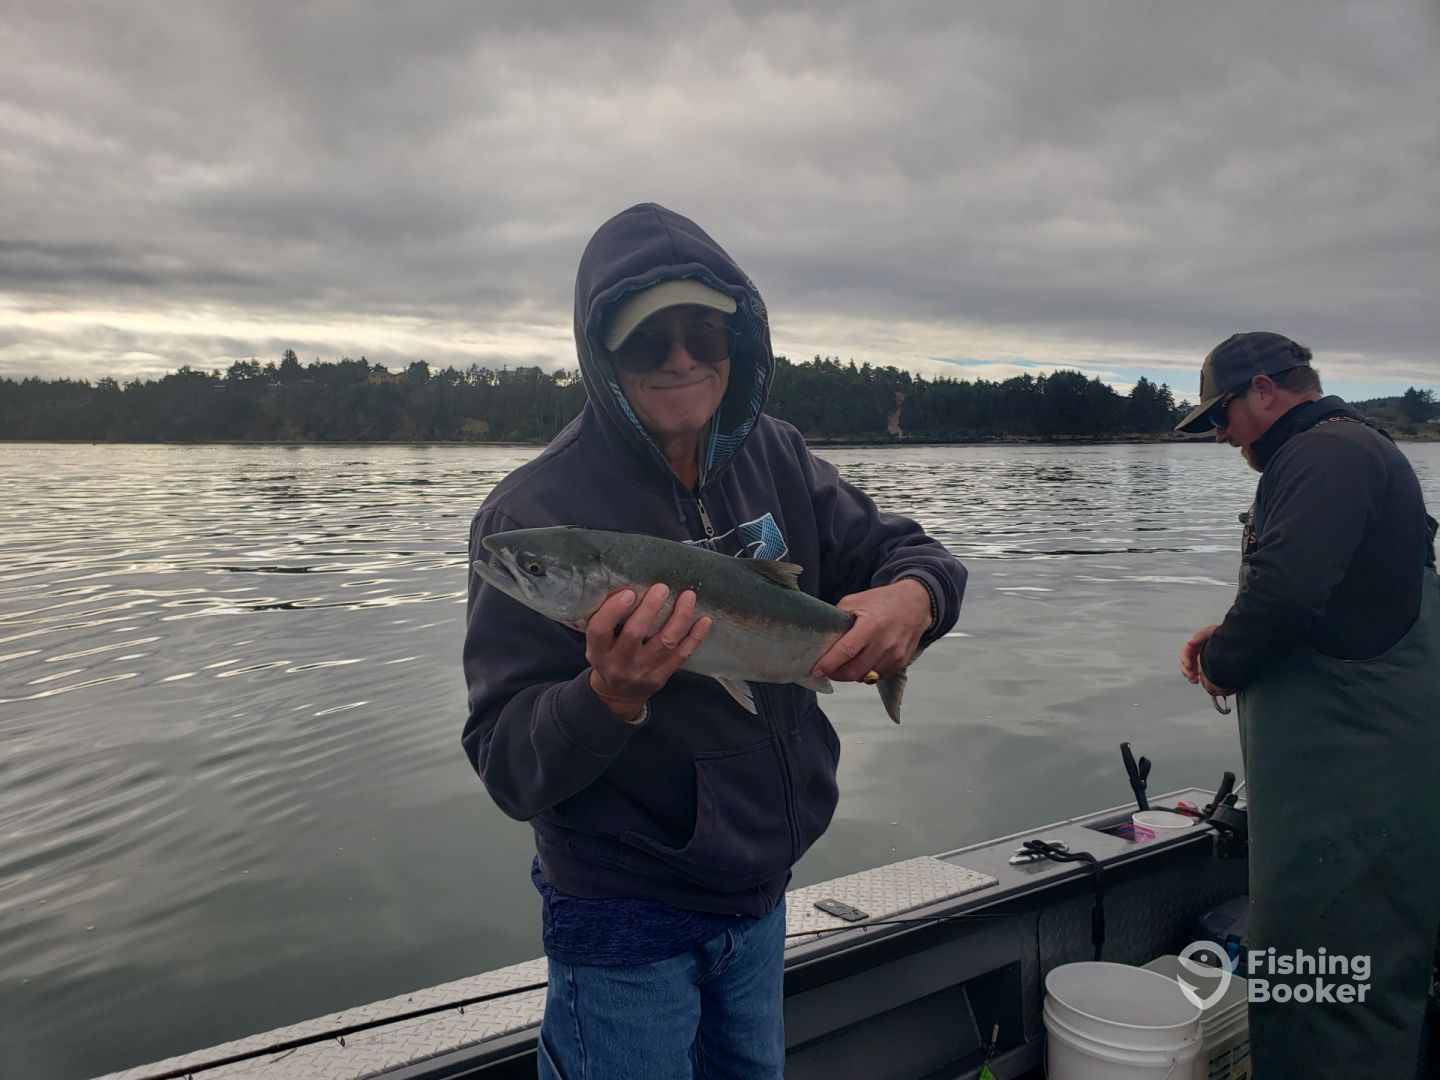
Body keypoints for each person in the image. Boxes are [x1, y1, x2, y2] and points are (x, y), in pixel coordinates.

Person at [462, 202, 966, 1079]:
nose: (681, 359)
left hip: (762, 890)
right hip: (623, 917)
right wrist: (607, 697)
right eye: (647, 340)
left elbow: (914, 554)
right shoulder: (530, 515)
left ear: (739, 342)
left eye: (704, 333)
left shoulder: (778, 455)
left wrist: (913, 599)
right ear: (602, 354)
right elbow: (506, 764)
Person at [1175, 332, 1440, 1079]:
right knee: (1345, 978)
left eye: (1220, 415)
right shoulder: (1355, 448)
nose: (1219, 435)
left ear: (1265, 389)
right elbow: (1336, 605)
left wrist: (1224, 662)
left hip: (1349, 802)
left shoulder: (1322, 454)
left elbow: (1288, 591)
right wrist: (1236, 633)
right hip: (1361, 789)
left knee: (1329, 990)